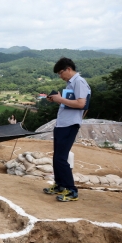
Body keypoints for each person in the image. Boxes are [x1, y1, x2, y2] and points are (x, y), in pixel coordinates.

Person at [44, 57, 90, 202]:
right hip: (62, 123)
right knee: (56, 157)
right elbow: (70, 102)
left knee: (61, 158)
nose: (60, 76)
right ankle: (59, 185)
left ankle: (71, 190)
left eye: (60, 72)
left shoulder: (79, 82)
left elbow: (82, 103)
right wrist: (57, 99)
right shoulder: (71, 83)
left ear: (68, 69)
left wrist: (60, 99)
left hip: (70, 124)